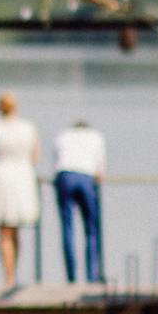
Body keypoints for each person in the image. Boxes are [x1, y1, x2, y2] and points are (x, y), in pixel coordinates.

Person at [0, 93, 41, 288]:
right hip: (22, 177)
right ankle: (13, 272)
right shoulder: (28, 128)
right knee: (16, 228)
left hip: (1, 176)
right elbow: (34, 157)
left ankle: (8, 275)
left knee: (4, 230)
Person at [54, 117, 106, 284]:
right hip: (86, 178)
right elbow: (99, 172)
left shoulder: (62, 136)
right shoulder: (96, 137)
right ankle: (93, 276)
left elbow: (55, 162)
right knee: (91, 228)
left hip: (65, 176)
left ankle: (71, 277)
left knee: (67, 227)